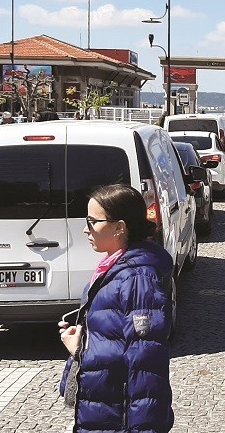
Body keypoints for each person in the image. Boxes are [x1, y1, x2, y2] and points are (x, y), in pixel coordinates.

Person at [59, 184, 174, 432]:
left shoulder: (135, 278)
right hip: (104, 410)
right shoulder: (114, 269)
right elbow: (114, 342)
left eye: (92, 222)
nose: (85, 229)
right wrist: (81, 345)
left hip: (116, 416)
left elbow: (146, 363)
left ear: (119, 227)